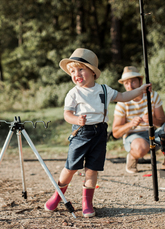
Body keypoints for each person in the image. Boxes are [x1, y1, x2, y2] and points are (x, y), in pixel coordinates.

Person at [44, 49, 151, 217]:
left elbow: (123, 95)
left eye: (81, 69)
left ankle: (87, 202)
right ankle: (58, 195)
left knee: (92, 169)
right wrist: (76, 119)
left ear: (93, 72)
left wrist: (141, 90)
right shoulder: (74, 93)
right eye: (72, 71)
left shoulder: (104, 90)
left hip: (100, 133)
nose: (76, 74)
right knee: (70, 167)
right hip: (81, 133)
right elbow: (67, 114)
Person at [112, 66, 165, 173]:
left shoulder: (153, 96)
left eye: (133, 82)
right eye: (126, 83)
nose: (130, 86)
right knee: (141, 147)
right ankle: (132, 156)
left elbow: (162, 121)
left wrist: (153, 120)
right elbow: (115, 133)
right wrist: (130, 124)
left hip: (153, 133)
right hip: (134, 137)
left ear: (140, 81)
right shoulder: (122, 103)